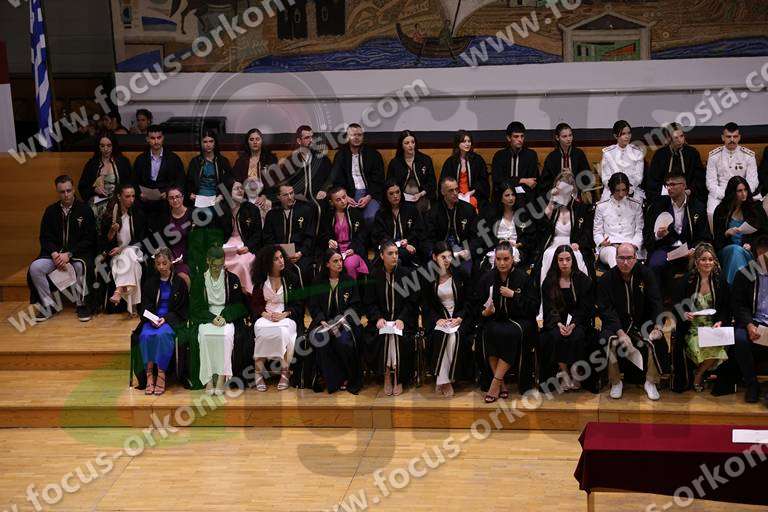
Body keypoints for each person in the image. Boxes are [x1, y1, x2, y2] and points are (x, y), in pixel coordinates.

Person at [597, 243, 668, 401]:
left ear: (636, 258)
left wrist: (658, 326)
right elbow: (606, 310)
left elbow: (656, 301)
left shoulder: (646, 274)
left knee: (656, 340)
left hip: (642, 321)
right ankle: (616, 382)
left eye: (629, 258)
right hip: (617, 324)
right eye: (621, 258)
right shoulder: (606, 280)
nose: (625, 262)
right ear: (616, 258)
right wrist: (620, 333)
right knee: (609, 340)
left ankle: (651, 381)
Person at [28, 175, 96, 322]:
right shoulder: (50, 211)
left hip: (77, 254)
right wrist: (54, 254)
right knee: (35, 268)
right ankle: (48, 305)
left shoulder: (85, 210)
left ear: (73, 190)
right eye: (62, 192)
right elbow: (44, 237)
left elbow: (90, 239)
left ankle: (82, 304)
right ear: (57, 192)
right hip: (54, 255)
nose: (66, 195)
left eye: (68, 190)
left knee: (81, 266)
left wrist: (69, 254)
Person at [476, 241, 538, 401]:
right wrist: (485, 312)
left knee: (509, 333)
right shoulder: (487, 278)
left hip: (520, 321)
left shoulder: (523, 277)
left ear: (512, 259)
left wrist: (514, 295)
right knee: (488, 331)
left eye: (506, 259)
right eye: (498, 259)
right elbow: (477, 306)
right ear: (494, 259)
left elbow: (533, 307)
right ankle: (501, 383)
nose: (502, 263)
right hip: (495, 319)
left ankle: (495, 382)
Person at [186, 246, 249, 394]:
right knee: (204, 336)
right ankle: (208, 379)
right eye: (214, 265)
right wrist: (211, 318)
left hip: (226, 316)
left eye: (220, 265)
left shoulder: (232, 279)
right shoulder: (199, 280)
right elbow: (195, 307)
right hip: (207, 316)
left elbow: (239, 305)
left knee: (226, 336)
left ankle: (221, 377)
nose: (217, 269)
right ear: (208, 261)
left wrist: (225, 316)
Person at [670, 243, 729, 393]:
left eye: (710, 259)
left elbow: (726, 306)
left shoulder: (720, 280)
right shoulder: (686, 280)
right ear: (696, 262)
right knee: (700, 346)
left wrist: (720, 321)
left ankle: (699, 374)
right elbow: (675, 304)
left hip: (712, 325)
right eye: (703, 259)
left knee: (718, 348)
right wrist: (684, 314)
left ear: (714, 261)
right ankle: (697, 374)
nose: (707, 262)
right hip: (692, 327)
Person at [130, 247, 189, 395]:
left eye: (164, 263)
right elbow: (145, 306)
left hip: (170, 320)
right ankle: (149, 375)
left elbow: (183, 309)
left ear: (171, 262)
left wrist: (166, 318)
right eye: (158, 264)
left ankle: (161, 374)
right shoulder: (150, 283)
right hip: (152, 320)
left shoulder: (179, 283)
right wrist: (152, 319)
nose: (161, 267)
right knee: (145, 335)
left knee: (162, 336)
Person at [363, 240, 418, 396]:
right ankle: (387, 374)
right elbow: (369, 303)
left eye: (396, 253)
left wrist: (402, 318)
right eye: (390, 253)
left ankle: (398, 378)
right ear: (381, 256)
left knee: (397, 335)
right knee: (385, 334)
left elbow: (412, 302)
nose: (394, 256)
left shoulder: (407, 274)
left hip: (403, 320)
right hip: (382, 321)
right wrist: (378, 318)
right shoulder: (374, 276)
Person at [308, 249, 364, 394]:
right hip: (325, 323)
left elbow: (356, 307)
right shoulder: (318, 282)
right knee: (319, 338)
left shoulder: (349, 281)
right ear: (327, 264)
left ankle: (347, 376)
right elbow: (313, 306)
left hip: (345, 323)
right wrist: (322, 321)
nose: (340, 263)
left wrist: (342, 321)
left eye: (340, 260)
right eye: (335, 261)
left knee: (343, 340)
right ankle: (331, 379)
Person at [421, 242, 473, 397]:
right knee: (441, 335)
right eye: (443, 257)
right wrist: (436, 319)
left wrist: (461, 317)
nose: (447, 260)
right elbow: (425, 304)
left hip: (459, 317)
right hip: (439, 318)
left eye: (449, 256)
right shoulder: (428, 276)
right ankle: (446, 380)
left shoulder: (460, 273)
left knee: (454, 336)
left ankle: (443, 379)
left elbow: (470, 300)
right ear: (434, 257)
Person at [644, 172, 711, 291]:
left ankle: (699, 298)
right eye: (667, 185)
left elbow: (704, 236)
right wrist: (658, 235)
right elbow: (647, 233)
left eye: (673, 184)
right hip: (665, 248)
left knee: (703, 262)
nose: (669, 188)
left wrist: (694, 250)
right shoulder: (658, 206)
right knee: (655, 264)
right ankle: (657, 300)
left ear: (684, 185)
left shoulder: (697, 206)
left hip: (689, 249)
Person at [539, 245, 594, 390]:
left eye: (568, 259)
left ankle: (576, 374)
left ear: (573, 260)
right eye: (561, 260)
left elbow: (585, 308)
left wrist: (573, 324)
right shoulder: (549, 282)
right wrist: (558, 324)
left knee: (577, 336)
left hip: (578, 321)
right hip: (556, 321)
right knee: (556, 337)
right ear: (556, 261)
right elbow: (549, 308)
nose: (564, 263)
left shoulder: (583, 281)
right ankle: (564, 374)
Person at [250, 245, 303, 391]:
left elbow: (299, 304)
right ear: (268, 262)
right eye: (276, 259)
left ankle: (285, 373)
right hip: (265, 316)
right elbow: (255, 305)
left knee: (282, 332)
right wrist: (265, 314)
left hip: (286, 317)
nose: (281, 261)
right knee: (261, 331)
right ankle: (258, 374)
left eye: (281, 257)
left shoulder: (291, 278)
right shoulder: (261, 281)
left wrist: (284, 314)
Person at [537, 172, 594, 284]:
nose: (560, 193)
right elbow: (543, 227)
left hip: (572, 243)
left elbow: (587, 232)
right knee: (548, 254)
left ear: (571, 190)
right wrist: (551, 200)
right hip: (553, 243)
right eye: (558, 189)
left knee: (576, 255)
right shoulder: (552, 207)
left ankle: (579, 291)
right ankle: (546, 291)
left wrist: (579, 244)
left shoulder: (581, 209)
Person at [99, 183, 147, 314]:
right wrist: (111, 232)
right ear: (119, 196)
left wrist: (123, 248)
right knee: (134, 266)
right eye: (127, 196)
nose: (131, 199)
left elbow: (142, 239)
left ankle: (119, 290)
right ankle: (134, 307)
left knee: (129, 252)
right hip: (118, 257)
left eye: (133, 196)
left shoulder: (138, 214)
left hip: (135, 251)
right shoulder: (109, 216)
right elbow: (104, 243)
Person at [731, 235, 768, 403]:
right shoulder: (745, 273)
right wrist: (749, 324)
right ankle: (752, 384)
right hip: (753, 321)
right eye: (761, 255)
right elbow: (738, 304)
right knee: (740, 339)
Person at [713, 176, 768, 285]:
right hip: (727, 252)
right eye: (739, 191)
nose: (744, 194)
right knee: (736, 251)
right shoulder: (721, 210)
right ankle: (741, 289)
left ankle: (732, 290)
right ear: (732, 193)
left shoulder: (755, 208)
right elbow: (717, 242)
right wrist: (726, 233)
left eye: (745, 190)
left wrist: (751, 245)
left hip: (751, 252)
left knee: (739, 253)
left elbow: (765, 235)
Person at [131, 125, 185, 233]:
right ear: (147, 139)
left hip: (165, 198)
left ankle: (164, 241)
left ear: (163, 138)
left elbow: (181, 181)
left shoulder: (173, 158)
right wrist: (139, 194)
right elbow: (134, 181)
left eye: (159, 137)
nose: (156, 141)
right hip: (145, 199)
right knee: (136, 207)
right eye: (152, 138)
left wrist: (168, 193)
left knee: (167, 207)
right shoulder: (140, 159)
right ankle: (142, 240)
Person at [262, 184, 316, 286]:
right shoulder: (272, 214)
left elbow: (310, 237)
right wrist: (278, 254)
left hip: (300, 253)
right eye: (285, 195)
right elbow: (268, 238)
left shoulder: (305, 210)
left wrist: (300, 253)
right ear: (278, 197)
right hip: (277, 254)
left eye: (291, 193)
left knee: (303, 270)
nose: (290, 197)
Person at [477, 180, 538, 271]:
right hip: (496, 248)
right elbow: (485, 236)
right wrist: (498, 242)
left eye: (513, 195)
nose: (511, 198)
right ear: (501, 198)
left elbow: (531, 235)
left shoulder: (522, 214)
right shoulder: (492, 214)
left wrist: (519, 244)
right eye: (507, 195)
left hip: (516, 249)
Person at [331, 123, 385, 226]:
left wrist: (368, 197)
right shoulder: (341, 155)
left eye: (359, 135)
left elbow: (378, 179)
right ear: (347, 137)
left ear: (363, 137)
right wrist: (345, 197)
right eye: (353, 135)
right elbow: (337, 180)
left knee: (370, 217)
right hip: (348, 194)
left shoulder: (373, 155)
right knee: (351, 217)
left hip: (370, 193)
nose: (356, 138)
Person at [706, 122, 758, 227]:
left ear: (739, 137)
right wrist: (727, 196)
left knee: (755, 212)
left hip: (742, 193)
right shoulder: (714, 156)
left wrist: (741, 194)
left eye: (735, 136)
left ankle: (746, 237)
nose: (732, 140)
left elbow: (753, 182)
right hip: (720, 193)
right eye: (729, 137)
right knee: (711, 213)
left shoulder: (748, 156)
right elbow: (710, 183)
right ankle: (717, 237)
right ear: (723, 137)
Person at [425, 177, 477, 274]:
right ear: (443, 192)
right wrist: (434, 253)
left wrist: (469, 250)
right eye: (451, 190)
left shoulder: (469, 209)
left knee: (465, 272)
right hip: (441, 252)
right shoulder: (433, 213)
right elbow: (428, 239)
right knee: (430, 272)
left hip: (463, 252)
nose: (455, 193)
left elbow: (476, 235)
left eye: (457, 189)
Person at [283, 125, 332, 228]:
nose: (311, 140)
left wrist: (324, 190)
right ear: (299, 141)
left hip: (318, 197)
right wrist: (293, 195)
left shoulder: (321, 158)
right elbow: (285, 183)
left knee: (321, 208)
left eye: (312, 137)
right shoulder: (291, 161)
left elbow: (330, 178)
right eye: (307, 138)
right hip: (297, 199)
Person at [218, 181, 262, 295]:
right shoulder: (221, 209)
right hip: (227, 245)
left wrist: (248, 247)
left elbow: (258, 234)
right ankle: (225, 294)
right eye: (236, 188)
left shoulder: (252, 209)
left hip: (246, 245)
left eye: (242, 188)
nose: (240, 190)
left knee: (241, 263)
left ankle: (243, 293)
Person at [593, 172, 644, 268]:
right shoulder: (602, 206)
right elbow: (597, 232)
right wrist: (602, 242)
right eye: (617, 190)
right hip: (609, 247)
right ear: (611, 189)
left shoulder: (636, 206)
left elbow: (639, 230)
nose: (621, 194)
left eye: (624, 190)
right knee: (613, 254)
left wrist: (634, 245)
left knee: (627, 254)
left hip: (630, 246)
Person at [646, 122, 706, 203]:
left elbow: (699, 178)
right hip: (665, 195)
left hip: (689, 194)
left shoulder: (692, 153)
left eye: (681, 136)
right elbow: (653, 180)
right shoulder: (660, 155)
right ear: (669, 138)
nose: (680, 140)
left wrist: (690, 190)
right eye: (676, 138)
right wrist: (666, 192)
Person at [371, 180, 426, 268]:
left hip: (410, 246)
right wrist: (399, 244)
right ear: (386, 196)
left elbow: (418, 231)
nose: (395, 196)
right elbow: (379, 235)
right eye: (391, 193)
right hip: (389, 248)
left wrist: (408, 242)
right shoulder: (381, 214)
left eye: (397, 192)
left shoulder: (411, 210)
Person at [317, 187, 369, 279]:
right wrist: (329, 241)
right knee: (331, 264)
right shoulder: (328, 215)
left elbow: (362, 235)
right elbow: (322, 235)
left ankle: (351, 288)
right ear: (332, 202)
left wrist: (353, 248)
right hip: (335, 250)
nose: (343, 201)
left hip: (352, 249)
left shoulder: (355, 213)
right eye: (338, 200)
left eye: (344, 197)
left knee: (349, 264)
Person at [78, 132, 131, 219]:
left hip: (118, 200)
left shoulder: (123, 162)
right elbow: (83, 186)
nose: (105, 149)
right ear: (98, 147)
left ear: (113, 146)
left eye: (109, 146)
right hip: (97, 201)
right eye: (102, 146)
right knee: (89, 211)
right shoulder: (92, 164)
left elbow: (130, 184)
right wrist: (94, 189)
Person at [386, 130, 436, 214]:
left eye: (413, 142)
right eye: (407, 143)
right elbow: (390, 183)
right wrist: (400, 195)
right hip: (401, 197)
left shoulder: (425, 160)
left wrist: (421, 194)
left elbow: (432, 183)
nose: (410, 145)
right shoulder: (395, 163)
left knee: (421, 209)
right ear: (401, 145)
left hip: (422, 196)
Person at [439, 130, 489, 211]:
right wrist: (456, 193)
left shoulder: (477, 160)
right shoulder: (451, 161)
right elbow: (445, 181)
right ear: (457, 143)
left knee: (472, 204)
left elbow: (483, 181)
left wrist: (471, 192)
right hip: (454, 194)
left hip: (473, 194)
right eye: (464, 141)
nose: (467, 144)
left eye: (469, 141)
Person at [540, 123, 592, 200]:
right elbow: (545, 182)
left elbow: (587, 178)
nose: (568, 139)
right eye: (564, 136)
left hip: (576, 193)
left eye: (570, 135)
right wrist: (558, 180)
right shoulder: (552, 157)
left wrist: (572, 176)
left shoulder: (579, 154)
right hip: (557, 194)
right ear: (557, 138)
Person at [491, 121, 539, 201]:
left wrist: (514, 185)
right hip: (503, 193)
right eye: (516, 137)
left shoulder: (531, 155)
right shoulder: (499, 156)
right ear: (509, 138)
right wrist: (522, 180)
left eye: (522, 136)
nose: (520, 140)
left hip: (524, 195)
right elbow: (498, 180)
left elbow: (532, 182)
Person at [599, 120, 646, 202]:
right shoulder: (608, 153)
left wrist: (628, 190)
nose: (627, 136)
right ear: (615, 136)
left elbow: (638, 177)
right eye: (623, 134)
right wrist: (616, 190)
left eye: (629, 133)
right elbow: (605, 178)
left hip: (631, 190)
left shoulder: (638, 152)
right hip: (612, 190)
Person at [230, 128, 279, 204]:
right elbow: (237, 181)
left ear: (262, 141)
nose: (255, 142)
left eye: (257, 139)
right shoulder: (241, 161)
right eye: (251, 139)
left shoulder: (270, 159)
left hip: (265, 197)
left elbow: (274, 182)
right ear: (248, 142)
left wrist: (265, 196)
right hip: (245, 199)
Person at [186, 130, 231, 207]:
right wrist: (190, 194)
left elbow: (228, 182)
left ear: (215, 143)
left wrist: (221, 196)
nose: (208, 145)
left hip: (217, 197)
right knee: (199, 212)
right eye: (205, 142)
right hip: (199, 197)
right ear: (201, 143)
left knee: (219, 211)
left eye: (211, 141)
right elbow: (189, 182)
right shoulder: (195, 162)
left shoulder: (223, 161)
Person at [163, 186, 192, 287]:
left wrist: (185, 258)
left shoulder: (192, 214)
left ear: (182, 197)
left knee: (183, 277)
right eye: (171, 198)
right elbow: (162, 240)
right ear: (168, 200)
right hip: (170, 255)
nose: (175, 200)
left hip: (188, 254)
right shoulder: (165, 217)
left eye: (177, 197)